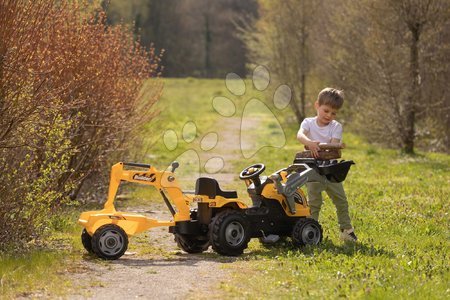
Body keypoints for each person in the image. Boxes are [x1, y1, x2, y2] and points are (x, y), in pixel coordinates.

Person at [296, 87, 357, 242]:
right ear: (317, 106)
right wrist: (309, 143)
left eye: (333, 113)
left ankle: (346, 230)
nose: (329, 116)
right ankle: (310, 231)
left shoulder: (336, 127)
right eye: (326, 111)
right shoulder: (308, 123)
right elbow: (300, 135)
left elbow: (334, 146)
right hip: (313, 170)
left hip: (330, 170)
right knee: (314, 202)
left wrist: (321, 147)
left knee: (341, 200)